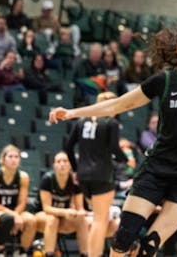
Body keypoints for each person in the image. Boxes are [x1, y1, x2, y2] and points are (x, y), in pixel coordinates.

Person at [50, 27, 177, 257]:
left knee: (150, 245)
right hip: (157, 170)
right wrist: (72, 113)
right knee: (123, 238)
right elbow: (118, 104)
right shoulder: (164, 81)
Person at [63, 91, 127, 257]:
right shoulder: (111, 122)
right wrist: (126, 159)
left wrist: (76, 169)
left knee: (99, 220)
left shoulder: (81, 121)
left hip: (83, 176)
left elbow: (68, 148)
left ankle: (91, 252)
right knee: (100, 220)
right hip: (102, 175)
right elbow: (114, 148)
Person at [0, 144, 37, 254]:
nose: (14, 160)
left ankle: (23, 251)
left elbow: (22, 203)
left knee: (31, 220)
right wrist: (15, 216)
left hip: (15, 210)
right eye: (10, 156)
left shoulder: (23, 177)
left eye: (16, 157)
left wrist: (16, 215)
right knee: (8, 219)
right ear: (2, 159)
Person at [34, 152, 88, 257]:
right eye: (58, 161)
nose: (62, 164)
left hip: (64, 219)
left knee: (82, 220)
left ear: (70, 164)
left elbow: (80, 208)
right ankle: (48, 254)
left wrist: (79, 213)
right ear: (54, 165)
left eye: (65, 161)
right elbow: (46, 208)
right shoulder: (47, 179)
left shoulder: (75, 181)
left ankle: (85, 254)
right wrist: (65, 212)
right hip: (43, 215)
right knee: (52, 219)